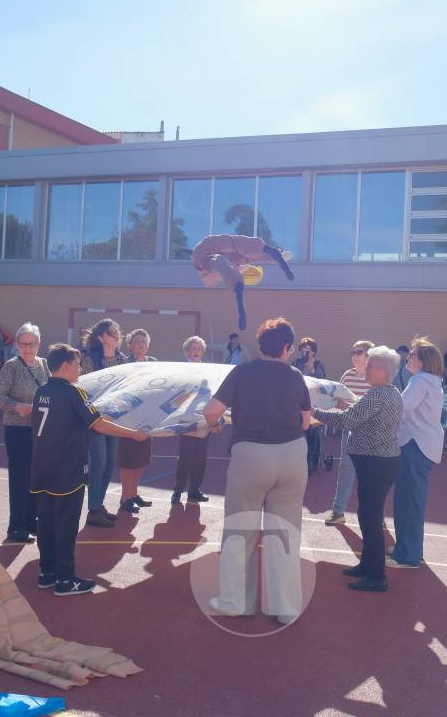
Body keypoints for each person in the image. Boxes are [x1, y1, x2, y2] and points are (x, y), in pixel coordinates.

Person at [203, 317, 310, 624]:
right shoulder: (295, 376)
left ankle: (235, 600)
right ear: (287, 347)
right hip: (292, 455)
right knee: (286, 532)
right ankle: (286, 607)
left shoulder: (242, 373)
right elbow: (305, 421)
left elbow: (212, 411)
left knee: (240, 530)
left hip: (250, 456)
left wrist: (216, 426)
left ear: (260, 344)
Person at [30, 343, 149, 594]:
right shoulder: (75, 393)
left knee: (47, 522)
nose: (80, 369)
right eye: (77, 364)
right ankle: (65, 579)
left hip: (42, 466)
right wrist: (133, 434)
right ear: (65, 366)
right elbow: (99, 425)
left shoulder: (41, 391)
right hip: (67, 468)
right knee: (66, 524)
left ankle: (47, 571)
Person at [312, 346, 403, 592]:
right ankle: (367, 565)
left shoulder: (377, 395)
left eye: (371, 366)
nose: (366, 369)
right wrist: (344, 409)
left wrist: (313, 412)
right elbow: (358, 416)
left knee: (370, 519)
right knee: (368, 516)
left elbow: (347, 421)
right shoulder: (392, 393)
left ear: (382, 371)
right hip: (380, 462)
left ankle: (376, 575)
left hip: (375, 463)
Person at [389, 337, 445, 570]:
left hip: (415, 447)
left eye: (412, 354)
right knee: (408, 500)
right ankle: (408, 548)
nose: (408, 358)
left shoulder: (420, 381)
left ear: (422, 360)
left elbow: (401, 407)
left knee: (409, 501)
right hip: (421, 446)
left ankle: (408, 556)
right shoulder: (430, 381)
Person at [0, 322, 48, 544]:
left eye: (31, 344)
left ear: (39, 343)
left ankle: (31, 520)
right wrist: (17, 406)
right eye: (23, 344)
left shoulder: (44, 365)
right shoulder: (11, 366)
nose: (27, 348)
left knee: (37, 476)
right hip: (17, 429)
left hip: (41, 429)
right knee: (20, 478)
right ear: (17, 344)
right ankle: (16, 527)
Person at [80, 319, 131, 528]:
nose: (117, 335)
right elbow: (83, 387)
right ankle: (93, 510)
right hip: (96, 418)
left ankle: (98, 505)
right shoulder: (90, 360)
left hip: (115, 417)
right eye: (112, 333)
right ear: (101, 337)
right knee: (98, 461)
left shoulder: (123, 360)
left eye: (118, 332)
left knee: (110, 462)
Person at [191, 234, 295, 330]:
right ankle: (274, 254)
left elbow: (221, 267)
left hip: (206, 252)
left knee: (231, 256)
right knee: (241, 252)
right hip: (222, 252)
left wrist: (238, 281)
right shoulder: (219, 267)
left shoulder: (204, 264)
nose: (216, 282)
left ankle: (273, 254)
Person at [325, 340, 374, 524]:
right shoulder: (348, 375)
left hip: (371, 432)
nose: (354, 356)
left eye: (358, 352)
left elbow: (376, 404)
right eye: (352, 352)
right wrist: (340, 405)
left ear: (368, 355)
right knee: (346, 469)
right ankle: (338, 512)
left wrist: (352, 406)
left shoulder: (375, 375)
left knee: (370, 474)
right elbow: (338, 398)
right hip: (350, 430)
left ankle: (376, 515)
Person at [117, 329, 156, 514]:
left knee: (141, 459)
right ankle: (125, 498)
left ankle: (133, 493)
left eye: (144, 341)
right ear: (130, 346)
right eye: (137, 341)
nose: (141, 344)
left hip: (147, 418)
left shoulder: (155, 364)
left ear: (148, 345)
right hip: (128, 419)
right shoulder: (124, 364)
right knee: (128, 460)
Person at [174, 336, 213, 504]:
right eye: (193, 349)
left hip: (204, 418)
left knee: (200, 457)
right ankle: (177, 490)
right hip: (187, 419)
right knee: (186, 457)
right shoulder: (182, 370)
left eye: (199, 349)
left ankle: (194, 490)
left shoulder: (209, 371)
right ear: (187, 351)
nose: (196, 352)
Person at [293, 337, 327, 475]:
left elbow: (322, 383)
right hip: (297, 403)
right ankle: (297, 463)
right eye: (302, 350)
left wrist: (311, 367)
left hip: (314, 403)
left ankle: (312, 462)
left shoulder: (319, 364)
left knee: (313, 432)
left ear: (313, 352)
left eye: (307, 351)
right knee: (298, 433)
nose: (304, 353)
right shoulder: (296, 363)